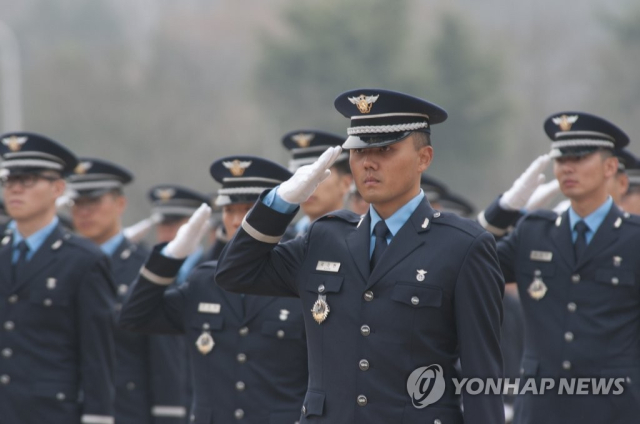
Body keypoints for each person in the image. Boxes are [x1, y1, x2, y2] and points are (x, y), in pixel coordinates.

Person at [215, 89, 505, 424]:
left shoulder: (463, 246)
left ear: (424, 158)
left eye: (385, 149)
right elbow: (234, 272)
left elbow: (482, 377)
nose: (368, 162)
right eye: (359, 150)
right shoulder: (325, 238)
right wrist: (279, 203)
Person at [119, 156, 308, 424]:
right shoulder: (206, 281)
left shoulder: (299, 276)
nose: (235, 221)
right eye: (230, 211)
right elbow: (134, 316)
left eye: (248, 209)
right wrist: (170, 257)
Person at [494, 112, 640, 424]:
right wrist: (503, 211)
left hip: (615, 409)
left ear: (610, 167)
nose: (567, 167)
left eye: (580, 157)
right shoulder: (533, 231)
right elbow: (468, 265)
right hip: (540, 410)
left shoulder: (634, 238)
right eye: (561, 160)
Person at [0, 132, 116, 424]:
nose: (15, 190)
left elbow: (97, 357)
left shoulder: (83, 260)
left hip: (51, 413)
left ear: (57, 188)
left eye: (27, 181)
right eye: (9, 182)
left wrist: (98, 418)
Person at [68, 158, 188, 424]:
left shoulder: (148, 270)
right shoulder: (62, 266)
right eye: (78, 204)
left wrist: (168, 417)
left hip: (127, 411)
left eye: (94, 202)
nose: (84, 212)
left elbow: (166, 363)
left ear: (120, 204)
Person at [282, 130, 352, 234]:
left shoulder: (363, 238)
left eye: (319, 175)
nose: (307, 184)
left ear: (345, 183)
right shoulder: (282, 241)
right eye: (301, 176)